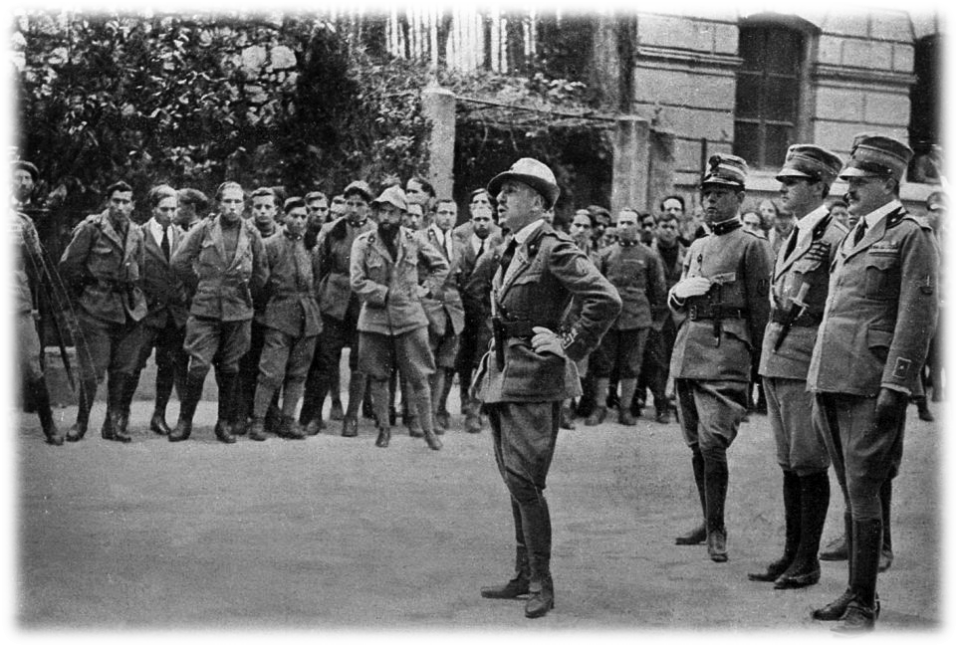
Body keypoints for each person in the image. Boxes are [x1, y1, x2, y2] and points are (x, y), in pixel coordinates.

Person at [475, 158, 621, 619]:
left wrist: (569, 345)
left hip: (536, 378)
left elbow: (605, 298)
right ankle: (524, 575)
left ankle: (542, 582)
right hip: (504, 374)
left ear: (538, 202)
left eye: (512, 192)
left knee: (526, 481)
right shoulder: (513, 247)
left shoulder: (555, 249)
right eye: (500, 193)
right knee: (513, 478)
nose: (500, 199)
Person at [807, 133, 938, 639]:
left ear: (888, 181)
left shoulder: (911, 235)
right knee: (850, 488)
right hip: (832, 376)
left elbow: (916, 316)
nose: (849, 190)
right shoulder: (852, 233)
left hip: (869, 382)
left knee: (864, 491)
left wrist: (897, 385)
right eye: (848, 181)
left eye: (859, 182)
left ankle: (865, 602)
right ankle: (854, 590)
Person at [745, 145, 847, 591]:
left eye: (793, 182)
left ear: (819, 187)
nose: (783, 188)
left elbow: (839, 305)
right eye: (783, 181)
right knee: (789, 462)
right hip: (779, 356)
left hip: (805, 359)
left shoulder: (835, 236)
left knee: (808, 462)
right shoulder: (794, 233)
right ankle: (792, 554)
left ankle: (808, 561)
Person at [668, 154, 773, 562]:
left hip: (727, 352)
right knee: (696, 443)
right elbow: (680, 299)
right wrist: (678, 294)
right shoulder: (697, 245)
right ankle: (708, 518)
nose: (710, 201)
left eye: (721, 194)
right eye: (707, 193)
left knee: (713, 442)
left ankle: (717, 529)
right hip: (690, 349)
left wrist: (761, 369)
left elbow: (761, 311)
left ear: (740, 198)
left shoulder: (752, 246)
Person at [168, 181, 269, 443]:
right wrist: (201, 285)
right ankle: (184, 422)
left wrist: (244, 293)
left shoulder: (251, 233)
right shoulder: (204, 229)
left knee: (230, 367)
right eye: (227, 201)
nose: (232, 207)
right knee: (198, 366)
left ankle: (223, 423)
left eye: (237, 202)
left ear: (244, 205)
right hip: (206, 310)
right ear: (219, 203)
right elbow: (179, 261)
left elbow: (261, 272)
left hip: (237, 312)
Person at [350, 185, 449, 451]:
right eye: (382, 211)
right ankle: (384, 429)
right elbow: (357, 281)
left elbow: (441, 266)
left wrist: (425, 289)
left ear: (402, 215)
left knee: (419, 377)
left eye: (392, 212)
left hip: (410, 318)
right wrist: (385, 294)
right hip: (375, 320)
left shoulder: (414, 240)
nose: (385, 217)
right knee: (379, 377)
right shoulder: (364, 243)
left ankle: (428, 431)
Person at [59, 180, 148, 443]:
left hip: (129, 310)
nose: (120, 206)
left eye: (125, 202)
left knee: (122, 370)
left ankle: (112, 424)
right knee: (91, 371)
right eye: (115, 201)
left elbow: (141, 267)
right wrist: (86, 294)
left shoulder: (137, 232)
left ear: (133, 205)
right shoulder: (92, 229)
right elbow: (69, 265)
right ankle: (81, 422)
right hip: (95, 308)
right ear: (108, 202)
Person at [300, 181, 376, 436]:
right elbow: (320, 266)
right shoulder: (331, 229)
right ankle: (312, 416)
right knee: (324, 358)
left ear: (368, 207)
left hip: (364, 304)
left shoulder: (375, 233)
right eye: (349, 203)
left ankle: (351, 417)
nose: (353, 209)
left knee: (360, 361)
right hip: (333, 303)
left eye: (359, 204)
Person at [248, 198, 322, 441]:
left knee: (299, 372)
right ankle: (258, 421)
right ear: (284, 217)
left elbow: (316, 280)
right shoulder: (270, 245)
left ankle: (288, 420)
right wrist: (266, 311)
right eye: (294, 216)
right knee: (271, 371)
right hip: (278, 315)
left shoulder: (311, 246)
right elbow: (260, 281)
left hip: (307, 316)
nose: (299, 221)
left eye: (303, 217)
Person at [587, 208, 666, 427]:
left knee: (632, 365)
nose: (624, 227)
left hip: (637, 318)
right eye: (621, 222)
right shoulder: (605, 254)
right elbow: (596, 286)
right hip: (609, 318)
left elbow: (658, 290)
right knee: (603, 363)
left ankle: (625, 408)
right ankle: (599, 407)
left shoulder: (649, 256)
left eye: (629, 223)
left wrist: (651, 318)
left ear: (638, 226)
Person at [4, 159, 63, 445]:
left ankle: (48, 424)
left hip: (16, 300)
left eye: (4, 186)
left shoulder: (21, 222)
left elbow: (38, 261)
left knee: (30, 360)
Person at [124, 185, 191, 437]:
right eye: (164, 209)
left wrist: (182, 297)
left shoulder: (183, 236)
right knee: (133, 364)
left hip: (173, 313)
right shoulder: (138, 235)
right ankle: (121, 415)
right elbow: (130, 273)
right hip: (146, 313)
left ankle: (159, 415)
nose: (170, 214)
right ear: (153, 209)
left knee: (169, 364)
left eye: (174, 209)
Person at [236, 187, 283, 433]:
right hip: (248, 307)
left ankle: (269, 412)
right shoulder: (243, 233)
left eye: (268, 207)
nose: (262, 211)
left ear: (276, 210)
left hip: (276, 309)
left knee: (273, 364)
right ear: (251, 209)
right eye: (258, 207)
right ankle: (241, 412)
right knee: (246, 362)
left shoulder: (284, 236)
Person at [418, 198, 466, 433]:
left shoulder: (458, 243)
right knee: (425, 362)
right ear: (433, 215)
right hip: (428, 305)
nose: (447, 217)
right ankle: (420, 415)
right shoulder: (421, 238)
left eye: (452, 213)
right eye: (443, 212)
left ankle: (436, 412)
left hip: (453, 310)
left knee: (445, 364)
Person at [457, 193, 503, 434]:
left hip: (512, 320)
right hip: (488, 318)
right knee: (481, 363)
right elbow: (474, 290)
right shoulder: (493, 255)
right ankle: (473, 411)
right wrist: (488, 313)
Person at [637, 209, 687, 424]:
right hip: (654, 314)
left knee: (677, 361)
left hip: (678, 314)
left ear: (679, 230)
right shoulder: (647, 252)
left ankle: (677, 402)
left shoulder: (686, 253)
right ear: (657, 229)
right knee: (656, 361)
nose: (668, 231)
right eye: (664, 227)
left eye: (672, 227)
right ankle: (660, 403)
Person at [923, 191, 953, 406]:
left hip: (944, 300)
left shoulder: (949, 238)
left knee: (942, 347)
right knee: (924, 347)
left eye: (943, 212)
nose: (938, 215)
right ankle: (924, 389)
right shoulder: (918, 234)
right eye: (934, 210)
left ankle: (940, 389)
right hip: (922, 300)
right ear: (928, 211)